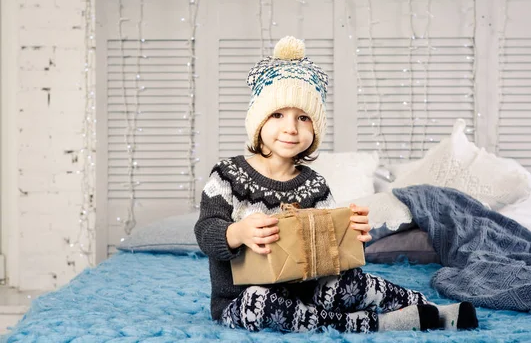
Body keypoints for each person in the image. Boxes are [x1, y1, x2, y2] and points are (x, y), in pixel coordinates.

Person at [195, 36, 478, 333]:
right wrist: (236, 232)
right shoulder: (228, 174)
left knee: (351, 283)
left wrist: (349, 239)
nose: (290, 128)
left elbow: (333, 263)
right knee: (260, 301)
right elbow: (206, 230)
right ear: (258, 122)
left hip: (308, 292)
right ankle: (375, 324)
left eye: (303, 118)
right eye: (277, 115)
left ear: (315, 130)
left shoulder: (315, 186)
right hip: (241, 300)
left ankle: (426, 308)